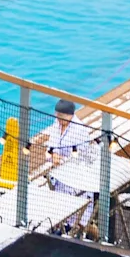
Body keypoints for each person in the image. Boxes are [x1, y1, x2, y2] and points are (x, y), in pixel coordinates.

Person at [46, 99, 97, 235]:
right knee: (60, 212)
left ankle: (90, 231)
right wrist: (54, 153)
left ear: (70, 115)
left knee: (78, 219)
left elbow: (82, 158)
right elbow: (50, 146)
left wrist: (61, 160)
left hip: (75, 180)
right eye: (57, 116)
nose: (58, 119)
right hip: (59, 179)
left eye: (61, 117)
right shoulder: (56, 125)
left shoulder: (79, 130)